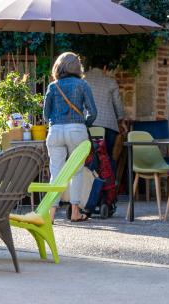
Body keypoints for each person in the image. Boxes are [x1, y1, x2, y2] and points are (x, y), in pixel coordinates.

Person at [43, 52, 97, 222]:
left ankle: (50, 214)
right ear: (77, 67)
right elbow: (93, 112)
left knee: (56, 172)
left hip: (55, 130)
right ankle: (75, 212)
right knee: (77, 171)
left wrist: (56, 121)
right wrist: (84, 123)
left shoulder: (53, 87)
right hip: (76, 130)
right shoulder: (83, 85)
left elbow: (45, 114)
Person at [85, 62, 126, 169]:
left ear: (90, 67)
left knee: (89, 156)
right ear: (104, 67)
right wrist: (120, 119)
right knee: (108, 157)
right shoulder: (110, 82)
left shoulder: (82, 81)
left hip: (88, 125)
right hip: (108, 125)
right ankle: (109, 183)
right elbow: (117, 103)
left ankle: (92, 183)